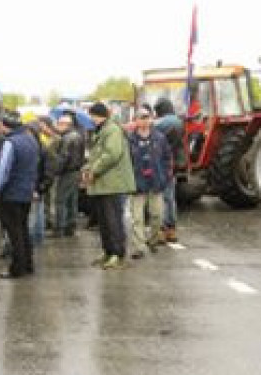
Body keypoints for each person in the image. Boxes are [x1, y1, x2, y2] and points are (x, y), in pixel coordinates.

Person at [83, 102, 136, 269]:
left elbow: (112, 154)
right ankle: (108, 251)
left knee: (113, 221)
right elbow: (97, 155)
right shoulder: (103, 130)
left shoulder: (112, 130)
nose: (91, 119)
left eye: (92, 115)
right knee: (104, 221)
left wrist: (94, 170)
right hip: (103, 184)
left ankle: (117, 254)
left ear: (99, 115)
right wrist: (87, 168)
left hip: (112, 183)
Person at [0, 111, 40, 279]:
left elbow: (4, 170)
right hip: (26, 191)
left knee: (14, 232)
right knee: (23, 229)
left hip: (11, 192)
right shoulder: (31, 140)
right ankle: (28, 264)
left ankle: (17, 268)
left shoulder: (10, 143)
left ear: (5, 126)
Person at [127, 108, 172, 259]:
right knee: (137, 218)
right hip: (137, 184)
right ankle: (139, 247)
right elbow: (126, 162)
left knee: (157, 215)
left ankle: (152, 241)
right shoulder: (129, 139)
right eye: (141, 117)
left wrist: (165, 176)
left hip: (156, 183)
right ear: (136, 120)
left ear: (151, 119)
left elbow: (167, 158)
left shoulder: (160, 138)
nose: (144, 120)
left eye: (147, 117)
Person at [154, 98, 184, 243]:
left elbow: (150, 127)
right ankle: (171, 230)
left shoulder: (167, 121)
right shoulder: (177, 121)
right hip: (173, 163)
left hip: (162, 164)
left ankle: (163, 230)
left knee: (162, 198)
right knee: (170, 198)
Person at [54, 113, 84, 237]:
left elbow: (63, 157)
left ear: (66, 125)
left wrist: (56, 171)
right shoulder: (78, 135)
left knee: (60, 200)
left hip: (67, 172)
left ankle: (60, 228)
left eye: (60, 123)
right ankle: (71, 226)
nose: (57, 126)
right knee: (72, 200)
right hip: (76, 171)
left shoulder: (66, 138)